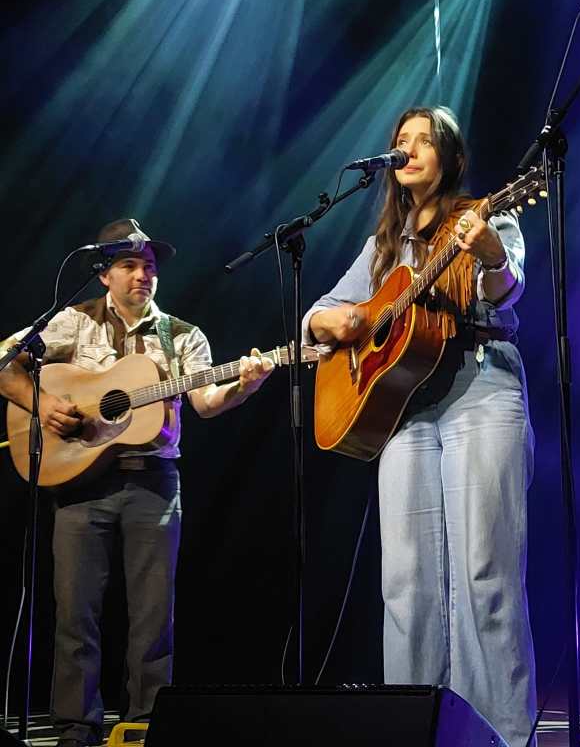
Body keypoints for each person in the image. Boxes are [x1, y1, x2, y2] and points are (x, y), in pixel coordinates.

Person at [303, 105, 536, 747]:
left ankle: (501, 735)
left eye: (422, 140)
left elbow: (506, 289)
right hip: (406, 405)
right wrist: (340, 324)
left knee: (485, 571)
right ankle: (412, 729)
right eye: (399, 141)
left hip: (481, 386)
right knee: (404, 577)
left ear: (450, 156)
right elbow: (322, 312)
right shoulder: (387, 243)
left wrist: (489, 254)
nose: (407, 149)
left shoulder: (489, 212)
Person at [0, 219, 275, 747]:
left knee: (154, 616)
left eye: (149, 266)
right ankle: (75, 732)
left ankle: (146, 727)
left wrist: (243, 386)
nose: (142, 275)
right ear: (103, 274)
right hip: (79, 481)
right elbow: (4, 363)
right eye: (129, 265)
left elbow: (206, 403)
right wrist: (44, 403)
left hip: (154, 483)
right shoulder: (70, 323)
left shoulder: (183, 336)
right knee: (74, 613)